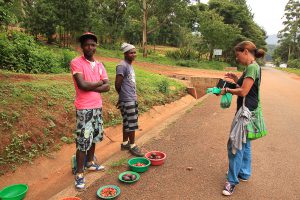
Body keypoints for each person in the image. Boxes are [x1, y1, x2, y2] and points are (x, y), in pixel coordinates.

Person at [220, 41, 265, 196]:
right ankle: (244, 173)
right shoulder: (252, 67)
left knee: (235, 145)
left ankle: (231, 182)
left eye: (238, 55)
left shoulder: (252, 67)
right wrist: (235, 78)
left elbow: (243, 91)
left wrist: (226, 89)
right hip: (250, 111)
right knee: (245, 145)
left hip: (245, 113)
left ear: (245, 51)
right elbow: (244, 85)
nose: (237, 58)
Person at [70, 32, 110, 190]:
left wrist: (95, 84)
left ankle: (90, 163)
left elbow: (107, 87)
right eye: (87, 44)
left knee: (94, 136)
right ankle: (79, 173)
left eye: (93, 44)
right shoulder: (76, 62)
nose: (90, 47)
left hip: (97, 107)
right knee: (82, 142)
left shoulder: (100, 65)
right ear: (82, 47)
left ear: (96, 46)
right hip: (84, 108)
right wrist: (99, 82)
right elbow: (82, 85)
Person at [115, 43, 144, 157]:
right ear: (125, 54)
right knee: (132, 123)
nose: (133, 54)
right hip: (128, 99)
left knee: (127, 122)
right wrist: (123, 96)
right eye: (131, 53)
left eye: (134, 52)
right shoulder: (122, 65)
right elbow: (117, 84)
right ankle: (132, 146)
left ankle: (125, 143)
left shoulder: (129, 65)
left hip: (129, 98)